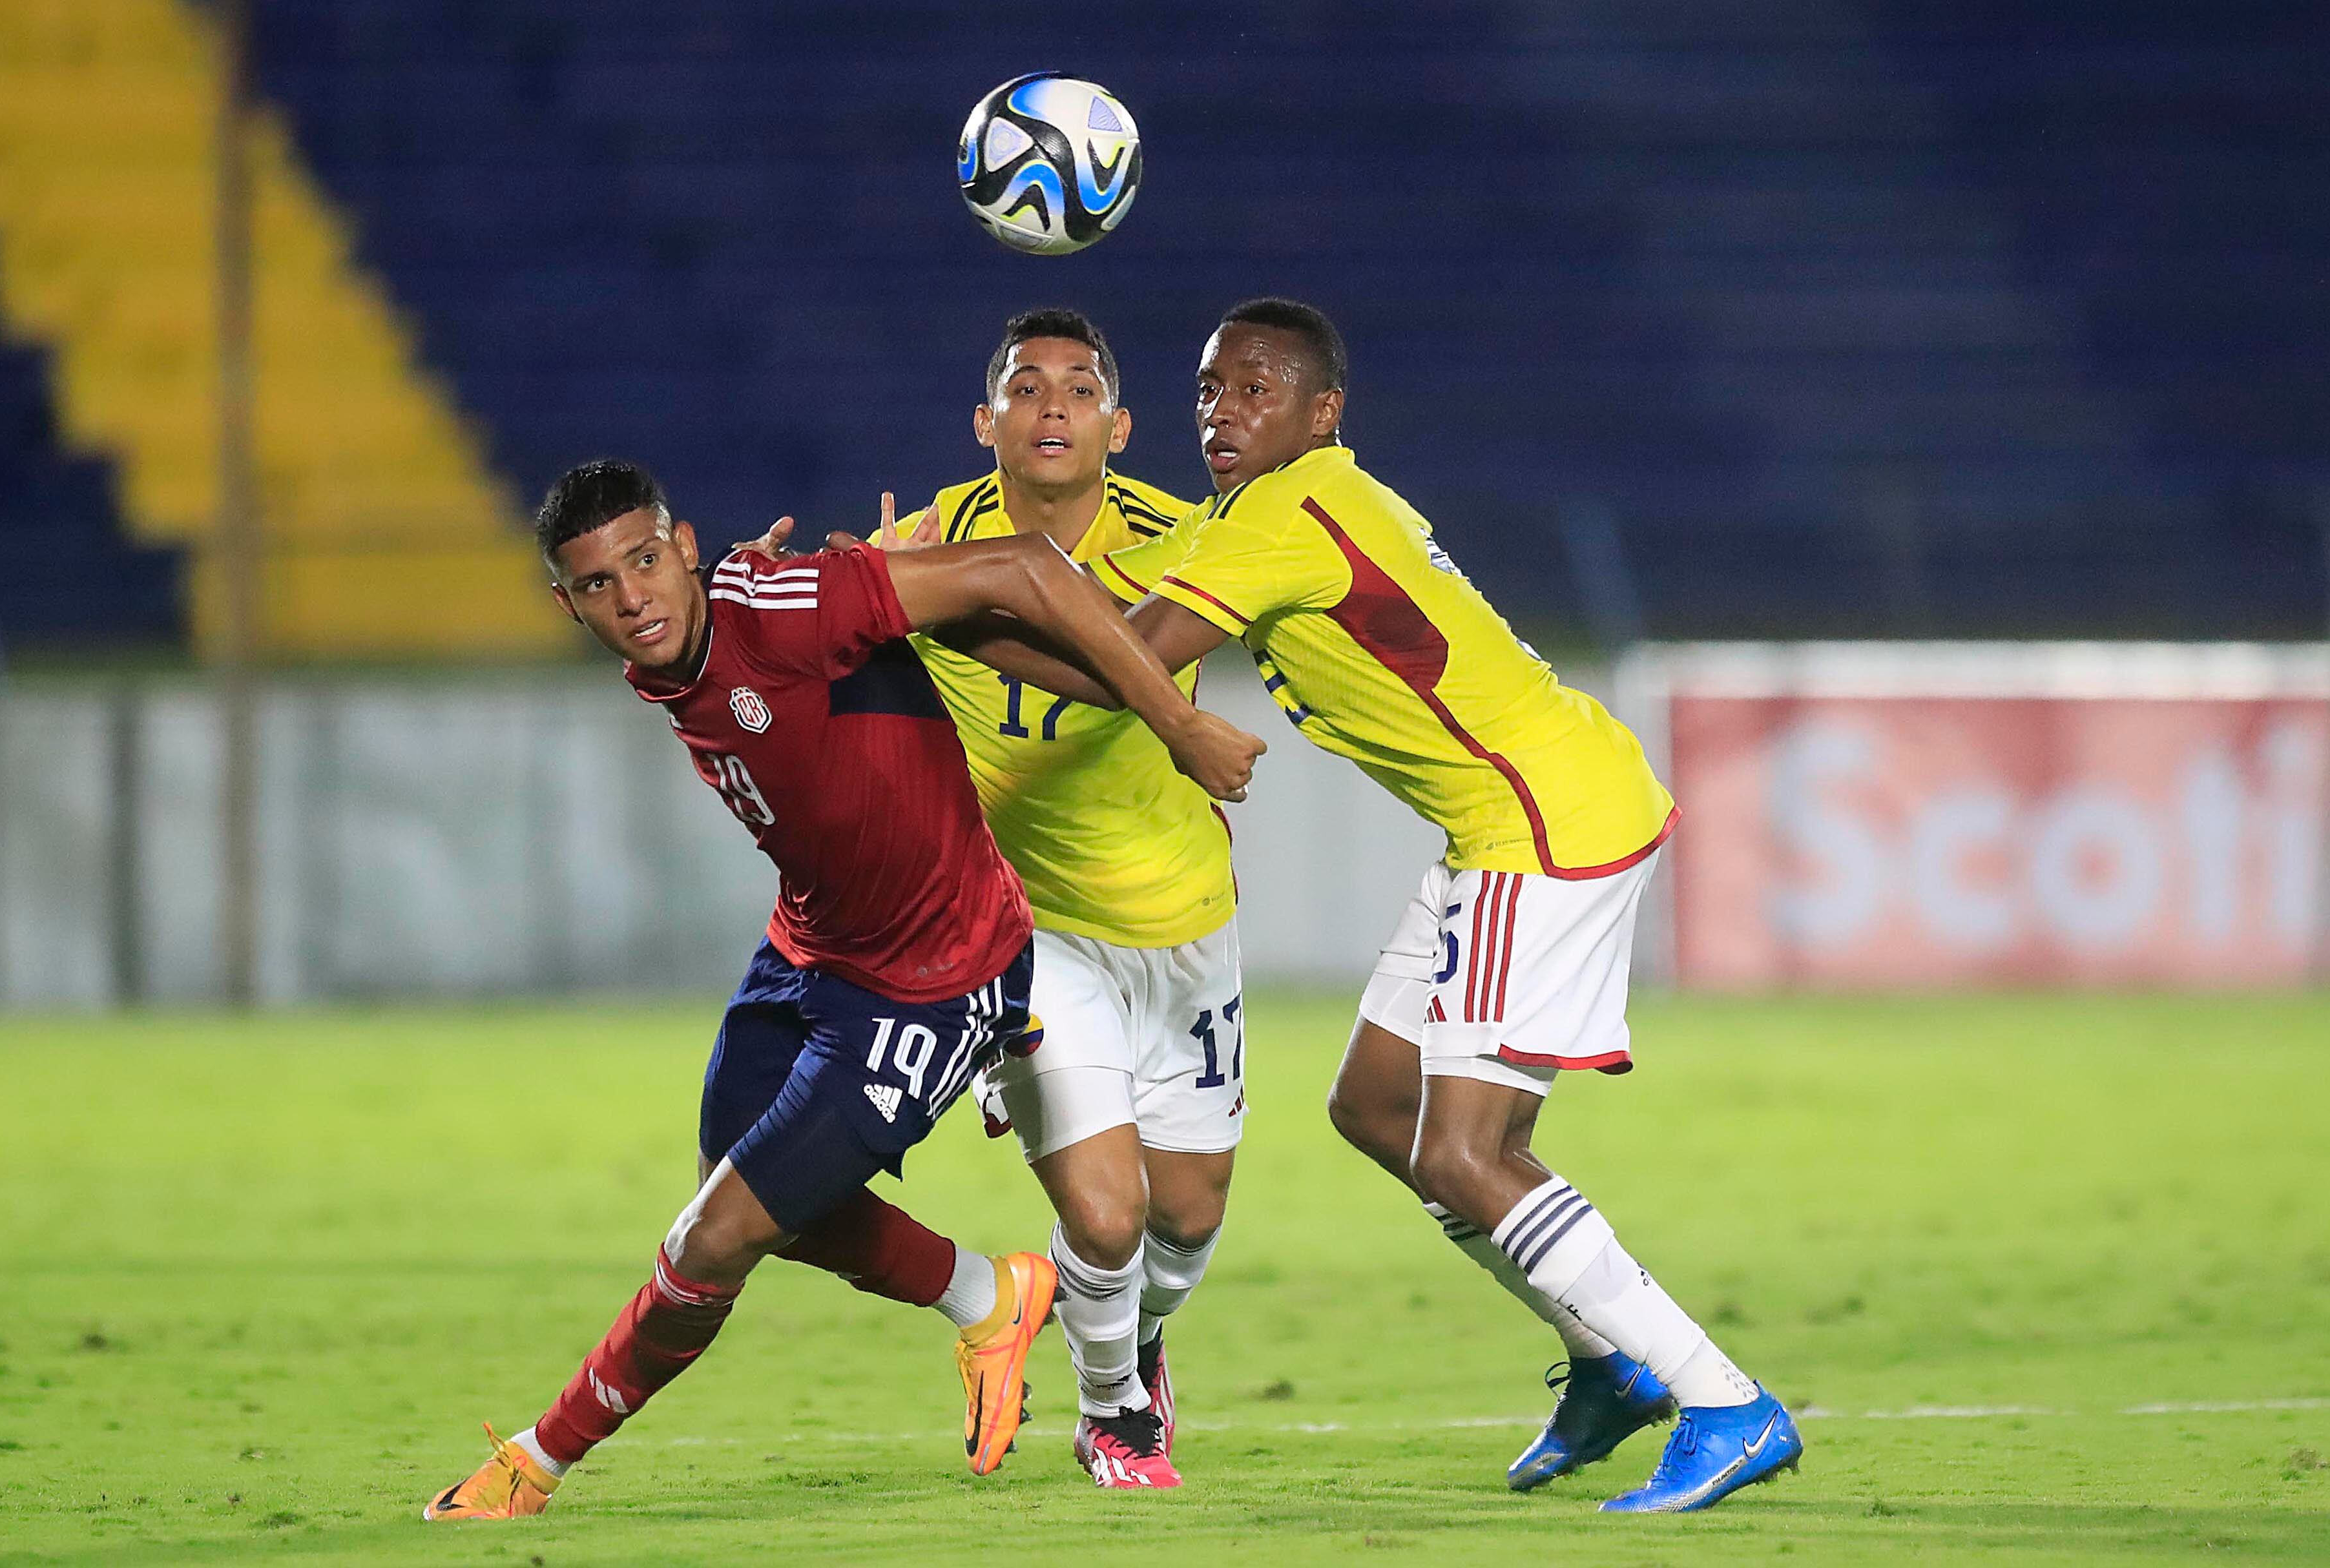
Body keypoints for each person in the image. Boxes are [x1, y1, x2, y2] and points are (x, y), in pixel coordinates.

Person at [933, 298, 1803, 1514]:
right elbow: (1112, 625)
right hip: (1511, 816)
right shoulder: (1279, 508)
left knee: (1464, 1151)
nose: (1223, 414)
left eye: (1257, 391)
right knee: (1377, 1105)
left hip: (1538, 825)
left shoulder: (1284, 516)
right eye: (1209, 391)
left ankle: (1721, 1401)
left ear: (1322, 413)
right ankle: (1610, 1367)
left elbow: (1113, 664)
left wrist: (941, 610)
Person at [424, 459, 1262, 1520]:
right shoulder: (683, 641)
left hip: (936, 973)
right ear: (567, 604)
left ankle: (536, 1463)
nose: (630, 597)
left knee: (710, 1240)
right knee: (731, 1186)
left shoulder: (786, 606)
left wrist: (1178, 723)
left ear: (683, 549)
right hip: (813, 949)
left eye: (644, 562)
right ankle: (992, 1296)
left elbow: (1022, 564)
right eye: (598, 584)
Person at [762, 309, 1241, 1489]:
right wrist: (824, 597)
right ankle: (1114, 1411)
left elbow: (1152, 660)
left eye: (1080, 388)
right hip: (1022, 932)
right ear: (985, 423)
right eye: (1025, 388)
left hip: (1181, 918)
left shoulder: (1191, 544)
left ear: (1119, 428)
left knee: (1185, 1218)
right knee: (1107, 1217)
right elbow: (816, 659)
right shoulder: (926, 544)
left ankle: (1137, 1339)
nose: (1052, 405)